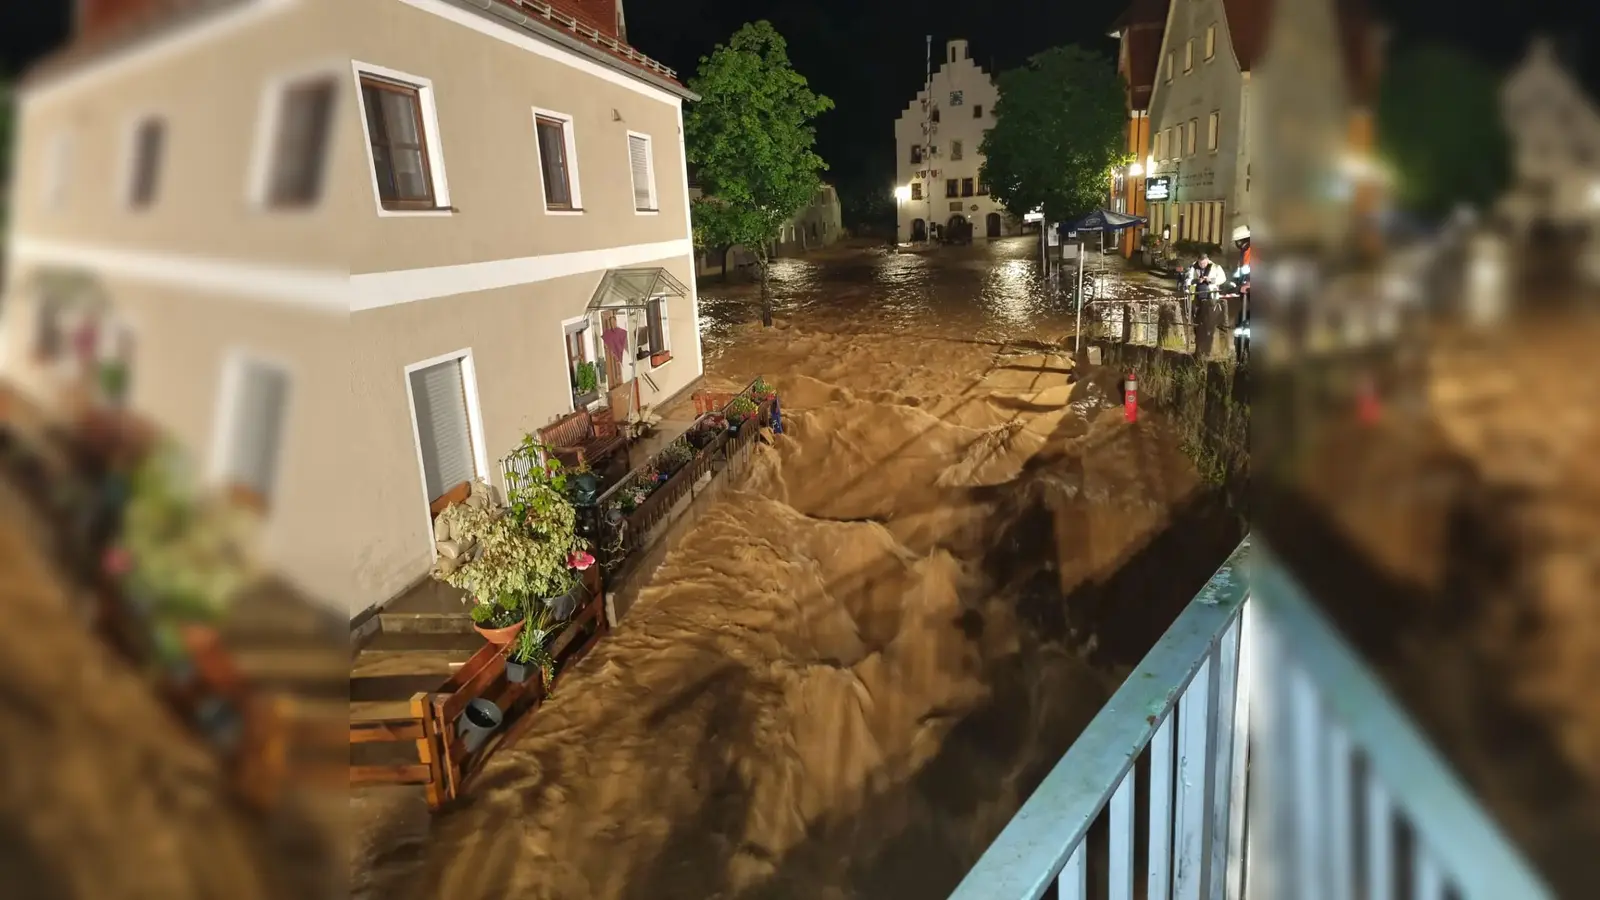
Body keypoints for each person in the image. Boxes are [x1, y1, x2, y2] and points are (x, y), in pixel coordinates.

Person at [1183, 250, 1226, 324]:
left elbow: (1223, 278)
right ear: (1198, 261)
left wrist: (1211, 280)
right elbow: (1186, 280)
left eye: (1204, 263)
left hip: (1211, 293)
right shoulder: (1192, 268)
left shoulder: (1216, 267)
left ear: (1208, 260)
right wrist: (1196, 281)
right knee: (1197, 312)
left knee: (1210, 311)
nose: (1202, 265)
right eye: (1200, 263)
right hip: (1196, 294)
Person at [1230, 225, 1252, 360]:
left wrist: (1249, 284)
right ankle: (1240, 355)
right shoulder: (1244, 253)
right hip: (1247, 295)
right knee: (1240, 326)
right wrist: (1233, 284)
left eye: (1237, 241)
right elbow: (1240, 273)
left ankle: (1247, 356)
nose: (1237, 244)